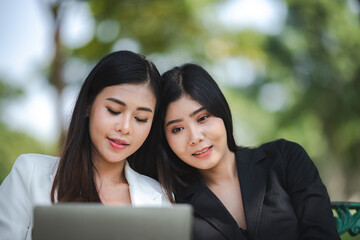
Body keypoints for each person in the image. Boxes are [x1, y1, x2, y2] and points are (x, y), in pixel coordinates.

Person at [0, 50, 170, 240]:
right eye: (114, 111)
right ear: (88, 105)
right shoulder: (29, 174)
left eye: (141, 118)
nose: (125, 128)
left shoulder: (160, 197)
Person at [158, 63, 340, 240]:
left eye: (203, 118)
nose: (195, 137)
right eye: (177, 129)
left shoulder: (285, 158)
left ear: (221, 112)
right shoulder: (172, 203)